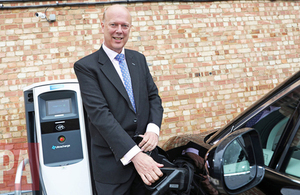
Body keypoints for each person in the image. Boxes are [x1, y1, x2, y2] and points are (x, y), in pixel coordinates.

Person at [73, 4, 164, 195]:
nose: (119, 31)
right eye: (113, 25)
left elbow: (153, 97)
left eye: (125, 26)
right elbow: (100, 116)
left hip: (148, 161)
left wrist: (153, 129)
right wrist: (135, 155)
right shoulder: (86, 67)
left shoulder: (138, 59)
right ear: (103, 26)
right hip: (113, 168)